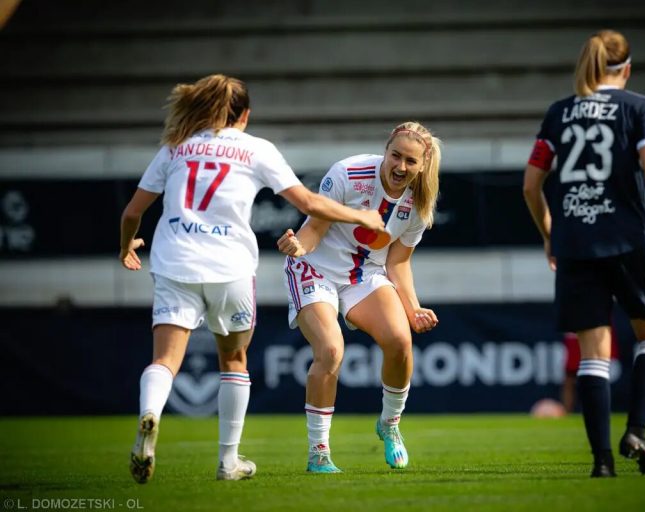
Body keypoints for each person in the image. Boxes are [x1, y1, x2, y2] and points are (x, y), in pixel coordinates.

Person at [119, 74, 385, 484]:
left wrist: (126, 246)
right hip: (230, 266)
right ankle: (228, 462)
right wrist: (361, 215)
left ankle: (150, 414)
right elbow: (311, 203)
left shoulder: (176, 147)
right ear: (244, 114)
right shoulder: (256, 148)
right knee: (234, 360)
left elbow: (132, 213)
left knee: (165, 360)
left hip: (174, 261)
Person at [522, 30, 645, 478]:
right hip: (628, 239)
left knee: (593, 355)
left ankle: (601, 461)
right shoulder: (639, 107)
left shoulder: (559, 112)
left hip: (576, 244)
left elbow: (530, 184)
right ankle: (637, 430)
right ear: (628, 68)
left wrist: (549, 232)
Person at [277, 121, 441, 473]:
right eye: (395, 156)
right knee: (331, 351)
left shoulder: (419, 202)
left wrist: (413, 308)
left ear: (423, 164)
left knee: (400, 340)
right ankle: (319, 452)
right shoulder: (348, 173)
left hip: (363, 276)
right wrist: (296, 245)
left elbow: (398, 262)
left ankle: (390, 424)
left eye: (410, 161)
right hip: (315, 268)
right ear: (385, 151)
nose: (400, 167)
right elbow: (315, 229)